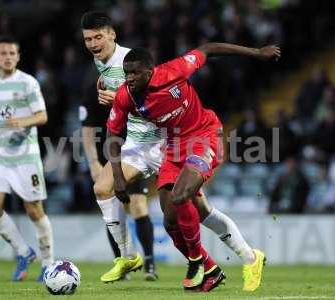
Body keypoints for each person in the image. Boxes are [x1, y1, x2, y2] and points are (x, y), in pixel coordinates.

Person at [107, 44, 281, 292]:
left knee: (180, 196)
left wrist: (256, 53)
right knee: (171, 222)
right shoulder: (126, 96)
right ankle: (226, 265)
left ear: (150, 71)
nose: (130, 78)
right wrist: (118, 177)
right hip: (173, 147)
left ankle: (197, 262)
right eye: (127, 73)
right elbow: (112, 133)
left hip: (204, 136)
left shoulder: (174, 71)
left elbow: (209, 48)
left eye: (135, 73)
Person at [81, 11, 160, 282]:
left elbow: (157, 101)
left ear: (112, 34)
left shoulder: (132, 62)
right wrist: (93, 161)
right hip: (125, 146)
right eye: (88, 39)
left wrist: (119, 99)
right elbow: (89, 125)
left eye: (98, 37)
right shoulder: (96, 66)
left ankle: (150, 263)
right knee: (104, 190)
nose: (92, 44)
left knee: (181, 206)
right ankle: (127, 258)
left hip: (155, 141)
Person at [0, 36, 54, 282]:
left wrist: (22, 122)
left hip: (26, 157)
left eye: (12, 53)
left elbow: (43, 116)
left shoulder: (28, 83)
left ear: (18, 56)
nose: (8, 57)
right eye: (3, 53)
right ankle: (25, 253)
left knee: (34, 210)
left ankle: (48, 264)